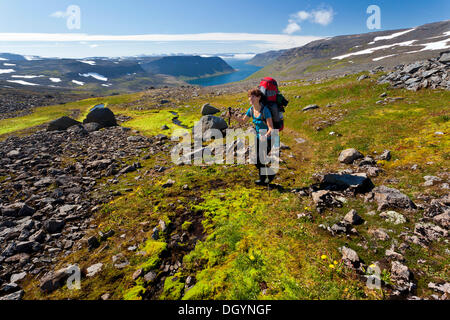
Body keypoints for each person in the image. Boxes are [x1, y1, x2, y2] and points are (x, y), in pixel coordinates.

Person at [234, 88, 276, 185]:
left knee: (259, 159)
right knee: (255, 159)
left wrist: (265, 136)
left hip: (269, 138)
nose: (250, 99)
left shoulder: (265, 110)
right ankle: (265, 177)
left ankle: (268, 175)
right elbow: (243, 121)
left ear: (259, 97)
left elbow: (271, 128)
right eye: (249, 97)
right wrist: (233, 117)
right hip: (258, 138)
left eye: (253, 96)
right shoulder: (251, 110)